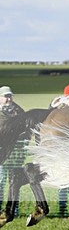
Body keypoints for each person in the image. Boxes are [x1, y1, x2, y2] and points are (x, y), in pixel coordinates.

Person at [0, 86, 25, 216]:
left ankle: (13, 209)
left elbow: (26, 130)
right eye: (5, 96)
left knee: (15, 182)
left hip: (16, 154)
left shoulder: (19, 112)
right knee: (1, 181)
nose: (8, 99)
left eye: (10, 96)